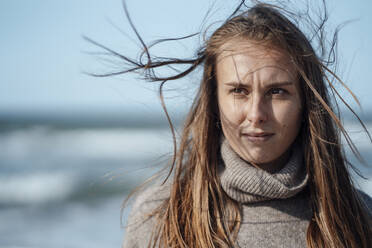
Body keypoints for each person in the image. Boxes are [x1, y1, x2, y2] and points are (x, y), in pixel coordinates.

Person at [91, 1, 372, 247]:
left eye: (277, 91)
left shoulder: (356, 217)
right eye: (239, 91)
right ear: (214, 100)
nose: (256, 114)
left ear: (305, 102)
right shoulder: (161, 216)